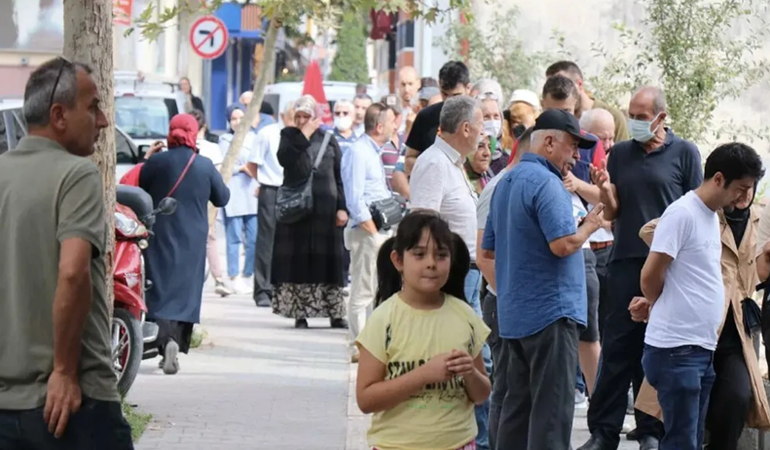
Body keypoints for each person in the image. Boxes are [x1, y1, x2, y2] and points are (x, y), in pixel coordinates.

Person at [0, 58, 134, 449]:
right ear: (59, 115)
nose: (104, 120)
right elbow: (73, 273)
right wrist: (63, 370)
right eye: (92, 107)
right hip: (74, 404)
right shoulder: (77, 175)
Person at [578, 86, 702, 450]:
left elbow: (697, 210)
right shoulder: (620, 155)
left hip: (668, 265)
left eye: (642, 116)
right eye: (630, 114)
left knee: (658, 347)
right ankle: (603, 431)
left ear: (662, 118)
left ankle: (650, 429)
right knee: (617, 348)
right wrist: (606, 191)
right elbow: (613, 213)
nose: (633, 121)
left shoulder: (685, 153)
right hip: (626, 259)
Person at [627, 143, 764, 450]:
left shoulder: (711, 216)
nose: (744, 199)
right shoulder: (682, 214)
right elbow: (650, 275)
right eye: (740, 189)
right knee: (681, 442)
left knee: (690, 439)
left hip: (700, 349)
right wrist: (657, 302)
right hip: (678, 350)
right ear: (718, 179)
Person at [484, 108, 602, 449]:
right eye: (573, 147)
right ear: (549, 142)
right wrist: (590, 226)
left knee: (516, 409)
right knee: (552, 413)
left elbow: (489, 250)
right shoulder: (548, 183)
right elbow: (563, 245)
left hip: (515, 314)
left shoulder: (505, 182)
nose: (577, 157)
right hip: (552, 314)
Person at [355, 211, 491, 450]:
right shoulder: (383, 320)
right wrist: (423, 375)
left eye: (441, 255)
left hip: (459, 443)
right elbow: (366, 400)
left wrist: (470, 373)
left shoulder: (465, 316)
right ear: (398, 260)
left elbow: (481, 394)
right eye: (419, 254)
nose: (431, 263)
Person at [409, 95, 491, 450]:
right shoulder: (435, 164)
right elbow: (423, 225)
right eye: (481, 127)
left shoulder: (453, 163)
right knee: (471, 360)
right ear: (466, 128)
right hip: (454, 278)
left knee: (476, 360)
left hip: (468, 276)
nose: (484, 136)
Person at [140, 114, 230, 374]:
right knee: (184, 290)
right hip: (192, 238)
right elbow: (222, 198)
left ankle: (161, 340)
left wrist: (148, 157)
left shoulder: (157, 163)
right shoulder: (203, 165)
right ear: (193, 133)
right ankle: (175, 342)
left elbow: (138, 184)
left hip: (160, 233)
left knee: (158, 286)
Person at [476, 128, 533, 450]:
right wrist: (513, 301)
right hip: (502, 303)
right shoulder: (500, 187)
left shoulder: (519, 184)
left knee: (515, 388)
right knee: (506, 389)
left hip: (513, 302)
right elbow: (484, 256)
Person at [272, 95, 349, 329]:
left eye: (307, 117)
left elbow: (339, 176)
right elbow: (285, 160)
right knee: (300, 262)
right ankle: (300, 313)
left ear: (315, 117)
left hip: (326, 213)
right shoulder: (288, 137)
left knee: (329, 263)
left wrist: (342, 208)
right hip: (298, 213)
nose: (303, 120)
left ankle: (335, 314)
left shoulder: (329, 139)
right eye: (299, 117)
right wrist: (303, 135)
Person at [342, 102, 398, 362]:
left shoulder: (372, 151)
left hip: (380, 231)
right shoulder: (358, 152)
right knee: (363, 290)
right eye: (390, 122)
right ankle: (358, 345)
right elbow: (354, 198)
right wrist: (373, 232)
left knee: (376, 289)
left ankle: (373, 344)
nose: (394, 126)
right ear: (379, 126)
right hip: (367, 233)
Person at [249, 101, 295, 308]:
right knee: (267, 241)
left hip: (294, 191)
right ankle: (263, 289)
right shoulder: (267, 133)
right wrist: (263, 182)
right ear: (283, 115)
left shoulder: (302, 136)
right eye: (294, 116)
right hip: (271, 189)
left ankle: (284, 288)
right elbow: (252, 164)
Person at [579, 109, 616, 334]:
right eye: (602, 139)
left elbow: (610, 206)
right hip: (583, 252)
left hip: (607, 252)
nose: (609, 144)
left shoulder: (615, 164)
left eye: (611, 137)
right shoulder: (574, 164)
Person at [218, 103, 259, 295]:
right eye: (233, 118)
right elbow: (224, 165)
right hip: (233, 192)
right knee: (234, 237)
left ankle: (247, 274)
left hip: (252, 192)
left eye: (240, 118)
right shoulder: (225, 140)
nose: (237, 122)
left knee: (253, 238)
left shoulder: (255, 138)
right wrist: (241, 168)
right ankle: (233, 276)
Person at [404, 60, 472, 176]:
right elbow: (409, 160)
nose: (450, 102)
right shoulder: (426, 117)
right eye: (445, 94)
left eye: (456, 95)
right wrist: (434, 171)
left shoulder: (479, 118)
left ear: (468, 88)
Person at [190, 108, 231, 297]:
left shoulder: (172, 146)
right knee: (209, 237)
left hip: (182, 199)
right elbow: (218, 177)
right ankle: (218, 278)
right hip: (206, 199)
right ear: (204, 126)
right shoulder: (212, 148)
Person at [545, 61, 629, 142]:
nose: (558, 90)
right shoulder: (551, 119)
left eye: (565, 84)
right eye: (551, 86)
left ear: (580, 84)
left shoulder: (613, 116)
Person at [471, 79, 508, 176]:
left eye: (496, 116)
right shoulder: (467, 158)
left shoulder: (506, 161)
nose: (492, 122)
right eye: (486, 117)